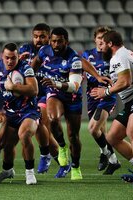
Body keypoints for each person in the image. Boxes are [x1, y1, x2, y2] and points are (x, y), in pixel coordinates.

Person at [31, 27, 111, 180]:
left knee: (73, 136)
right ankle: (62, 147)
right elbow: (33, 65)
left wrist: (56, 83)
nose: (55, 44)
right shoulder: (44, 51)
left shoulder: (73, 59)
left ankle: (75, 166)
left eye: (59, 41)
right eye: (53, 41)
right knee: (53, 118)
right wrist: (25, 76)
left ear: (66, 42)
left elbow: (74, 86)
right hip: (55, 93)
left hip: (72, 96)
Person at [90, 31, 133, 185]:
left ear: (110, 44)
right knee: (112, 137)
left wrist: (105, 92)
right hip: (132, 101)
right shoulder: (122, 53)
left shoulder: (119, 56)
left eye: (103, 44)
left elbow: (125, 82)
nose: (100, 49)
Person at [0, 43, 39, 185]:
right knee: (7, 145)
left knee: (24, 134)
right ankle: (7, 171)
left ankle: (30, 173)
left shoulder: (25, 68)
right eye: (7, 58)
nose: (10, 61)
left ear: (18, 57)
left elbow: (34, 90)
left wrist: (13, 87)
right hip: (10, 113)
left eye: (13, 58)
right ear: (2, 57)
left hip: (29, 111)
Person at [19, 23, 64, 177]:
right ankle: (62, 162)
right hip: (31, 95)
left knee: (40, 124)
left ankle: (46, 156)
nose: (38, 39)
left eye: (42, 36)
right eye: (36, 36)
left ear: (49, 37)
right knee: (40, 130)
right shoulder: (25, 49)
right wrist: (19, 60)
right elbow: (16, 69)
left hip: (48, 92)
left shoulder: (54, 51)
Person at [81, 26, 121, 175]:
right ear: (94, 39)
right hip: (91, 96)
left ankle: (106, 155)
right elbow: (81, 70)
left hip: (107, 97)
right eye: (99, 38)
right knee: (100, 129)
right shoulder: (88, 54)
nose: (101, 41)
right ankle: (112, 160)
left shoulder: (113, 55)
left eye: (104, 38)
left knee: (93, 128)